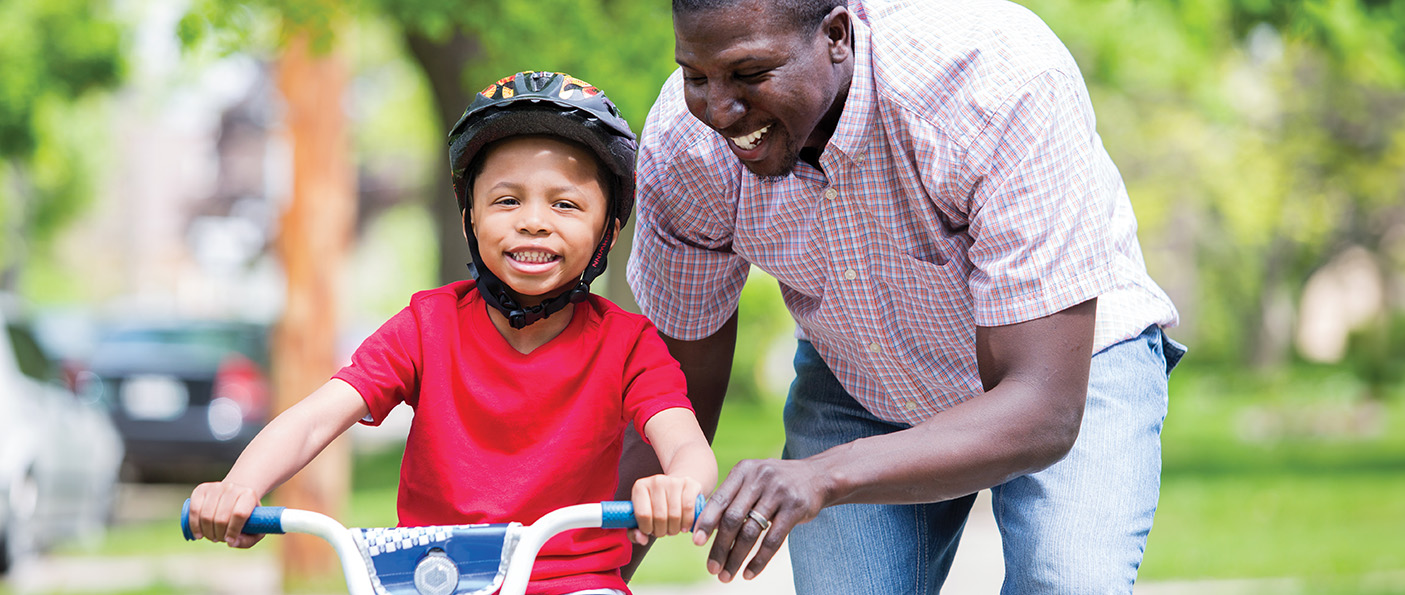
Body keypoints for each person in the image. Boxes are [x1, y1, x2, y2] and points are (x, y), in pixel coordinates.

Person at [621, 0, 1185, 592]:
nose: (718, 109)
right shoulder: (685, 150)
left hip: (1068, 365)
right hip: (859, 377)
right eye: (695, 77)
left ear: (837, 35)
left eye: (750, 74)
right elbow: (669, 404)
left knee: (1066, 582)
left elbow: (1044, 408)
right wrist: (582, 577)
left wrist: (826, 475)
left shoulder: (994, 81)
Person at [187, 71, 718, 595]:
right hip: (433, 579)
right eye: (507, 200)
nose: (533, 221)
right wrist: (240, 486)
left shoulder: (627, 344)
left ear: (608, 231)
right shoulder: (426, 327)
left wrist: (679, 487)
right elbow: (312, 420)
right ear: (470, 218)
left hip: (574, 583)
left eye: (565, 204)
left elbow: (685, 442)